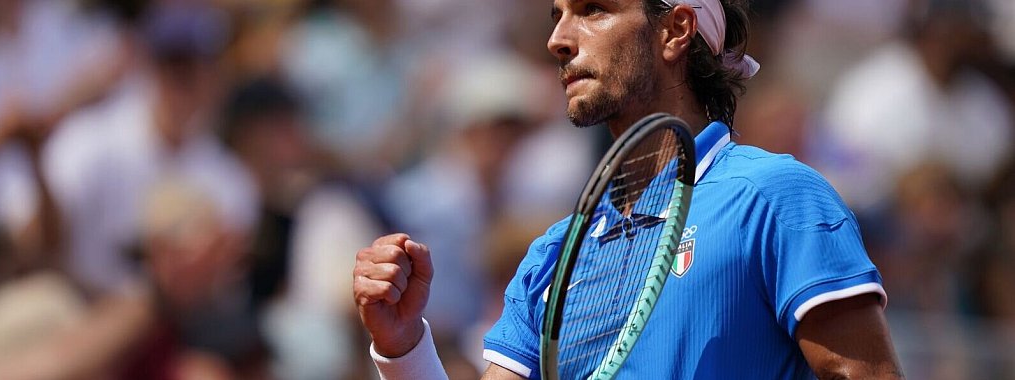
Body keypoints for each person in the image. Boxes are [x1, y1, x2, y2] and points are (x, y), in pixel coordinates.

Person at [353, 0, 904, 379]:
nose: (557, 40)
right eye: (557, 15)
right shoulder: (552, 256)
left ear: (676, 30)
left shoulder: (773, 197)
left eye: (593, 9)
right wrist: (403, 347)